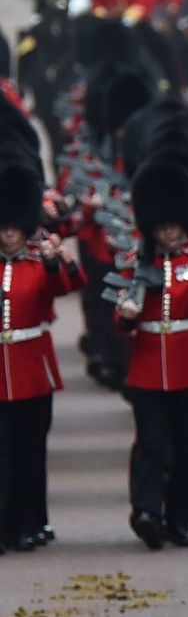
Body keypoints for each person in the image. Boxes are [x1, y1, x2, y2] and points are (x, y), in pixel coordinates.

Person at [115, 161, 188, 549]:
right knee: (151, 442)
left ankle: (185, 516)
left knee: (187, 445)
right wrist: (127, 316)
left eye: (173, 224)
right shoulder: (134, 262)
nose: (167, 231)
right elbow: (121, 311)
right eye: (161, 226)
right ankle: (146, 511)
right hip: (147, 367)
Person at [0, 164, 85, 552]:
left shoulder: (40, 258)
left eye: (14, 226)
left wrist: (55, 262)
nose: (8, 233)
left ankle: (30, 521)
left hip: (32, 367)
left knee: (29, 452)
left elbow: (68, 285)